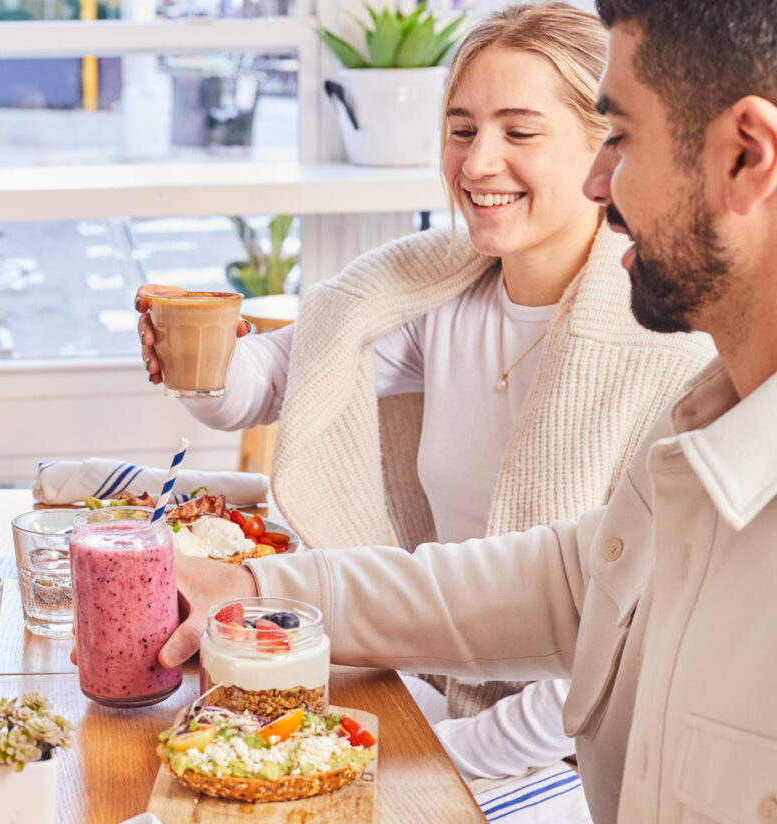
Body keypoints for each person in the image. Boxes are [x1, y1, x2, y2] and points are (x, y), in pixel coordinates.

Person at [159, 0, 777, 819]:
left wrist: (422, 748)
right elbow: (559, 583)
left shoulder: (683, 385)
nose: (601, 183)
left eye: (619, 136)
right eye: (463, 129)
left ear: (747, 157)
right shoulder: (709, 421)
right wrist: (254, 585)